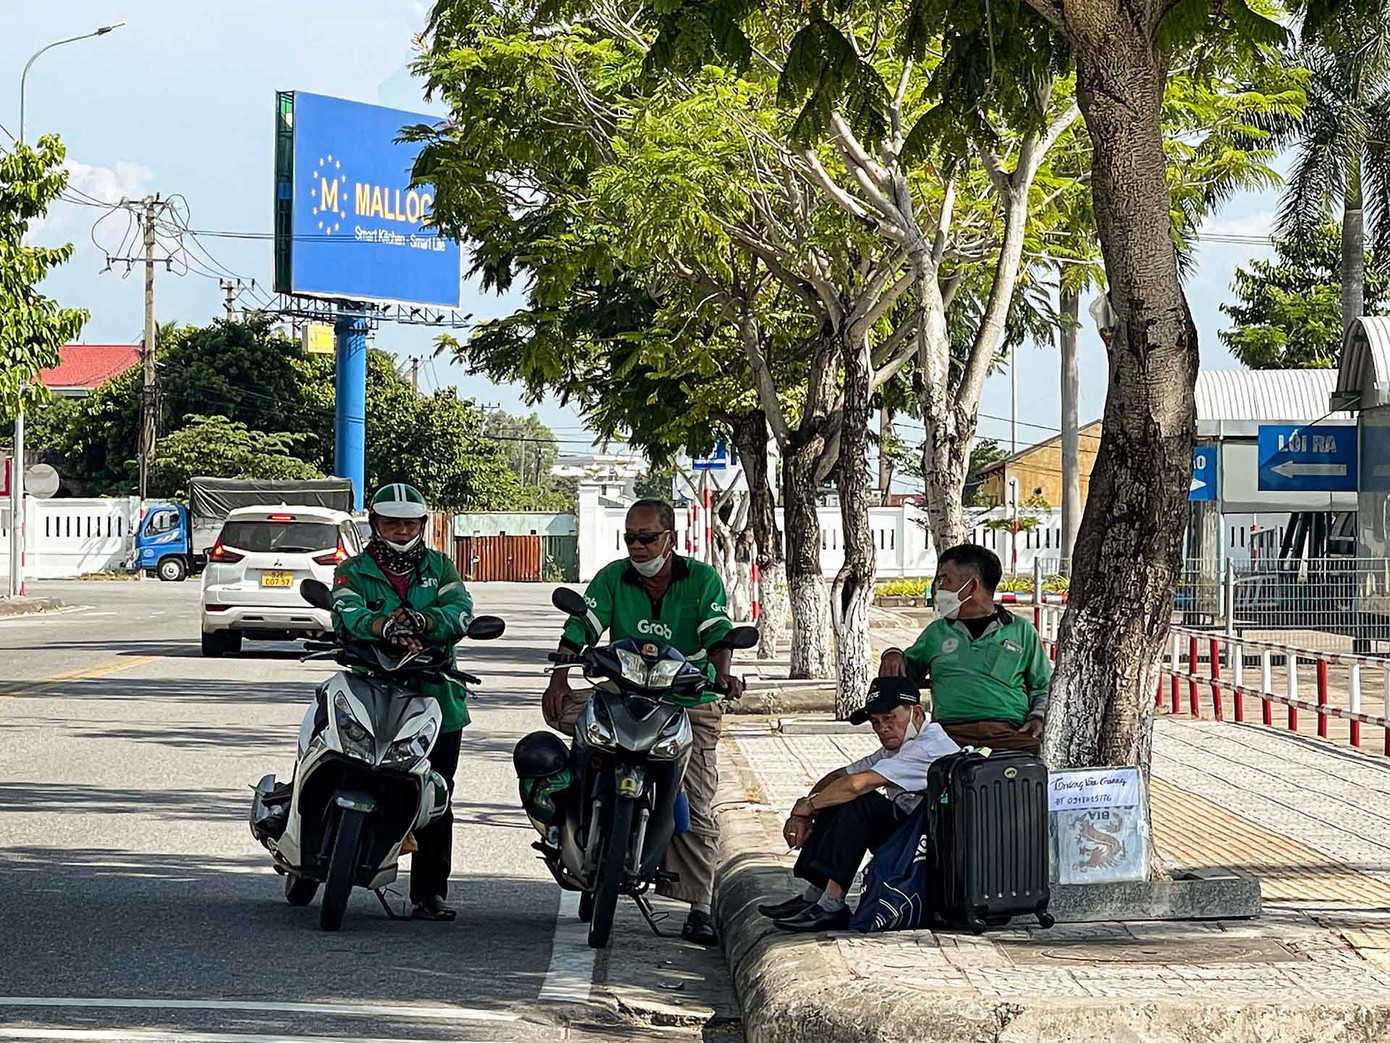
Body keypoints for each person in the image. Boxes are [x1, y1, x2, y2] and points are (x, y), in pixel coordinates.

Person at [542, 499, 743, 946]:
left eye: (646, 537)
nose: (637, 546)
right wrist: (559, 676)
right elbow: (581, 628)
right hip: (622, 692)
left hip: (687, 698)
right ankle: (569, 829)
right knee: (571, 736)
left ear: (670, 537)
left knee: (698, 798)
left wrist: (723, 674)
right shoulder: (613, 577)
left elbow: (717, 635)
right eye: (630, 537)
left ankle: (699, 906)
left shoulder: (702, 579)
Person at [330, 483, 474, 922]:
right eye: (392, 522)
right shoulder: (354, 569)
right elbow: (344, 611)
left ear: (423, 525)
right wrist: (382, 628)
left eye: (409, 522)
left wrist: (423, 621)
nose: (401, 529)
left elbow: (461, 612)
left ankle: (429, 893)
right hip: (369, 687)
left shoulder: (442, 567)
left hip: (435, 694)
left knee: (437, 794)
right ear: (375, 524)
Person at [758, 676, 958, 933]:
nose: (882, 728)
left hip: (932, 846)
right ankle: (815, 895)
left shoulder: (927, 747)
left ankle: (832, 905)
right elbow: (841, 777)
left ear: (916, 713)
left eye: (889, 718)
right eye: (875, 722)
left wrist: (808, 806)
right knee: (836, 799)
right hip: (912, 832)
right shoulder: (899, 744)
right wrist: (806, 812)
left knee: (858, 804)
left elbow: (857, 785)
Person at [879, 543, 1052, 755]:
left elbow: (1043, 686)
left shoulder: (1021, 631)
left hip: (1009, 733)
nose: (939, 588)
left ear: (971, 586)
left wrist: (1038, 717)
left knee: (1048, 770)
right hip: (947, 735)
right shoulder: (937, 632)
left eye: (945, 580)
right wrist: (893, 654)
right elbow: (907, 669)